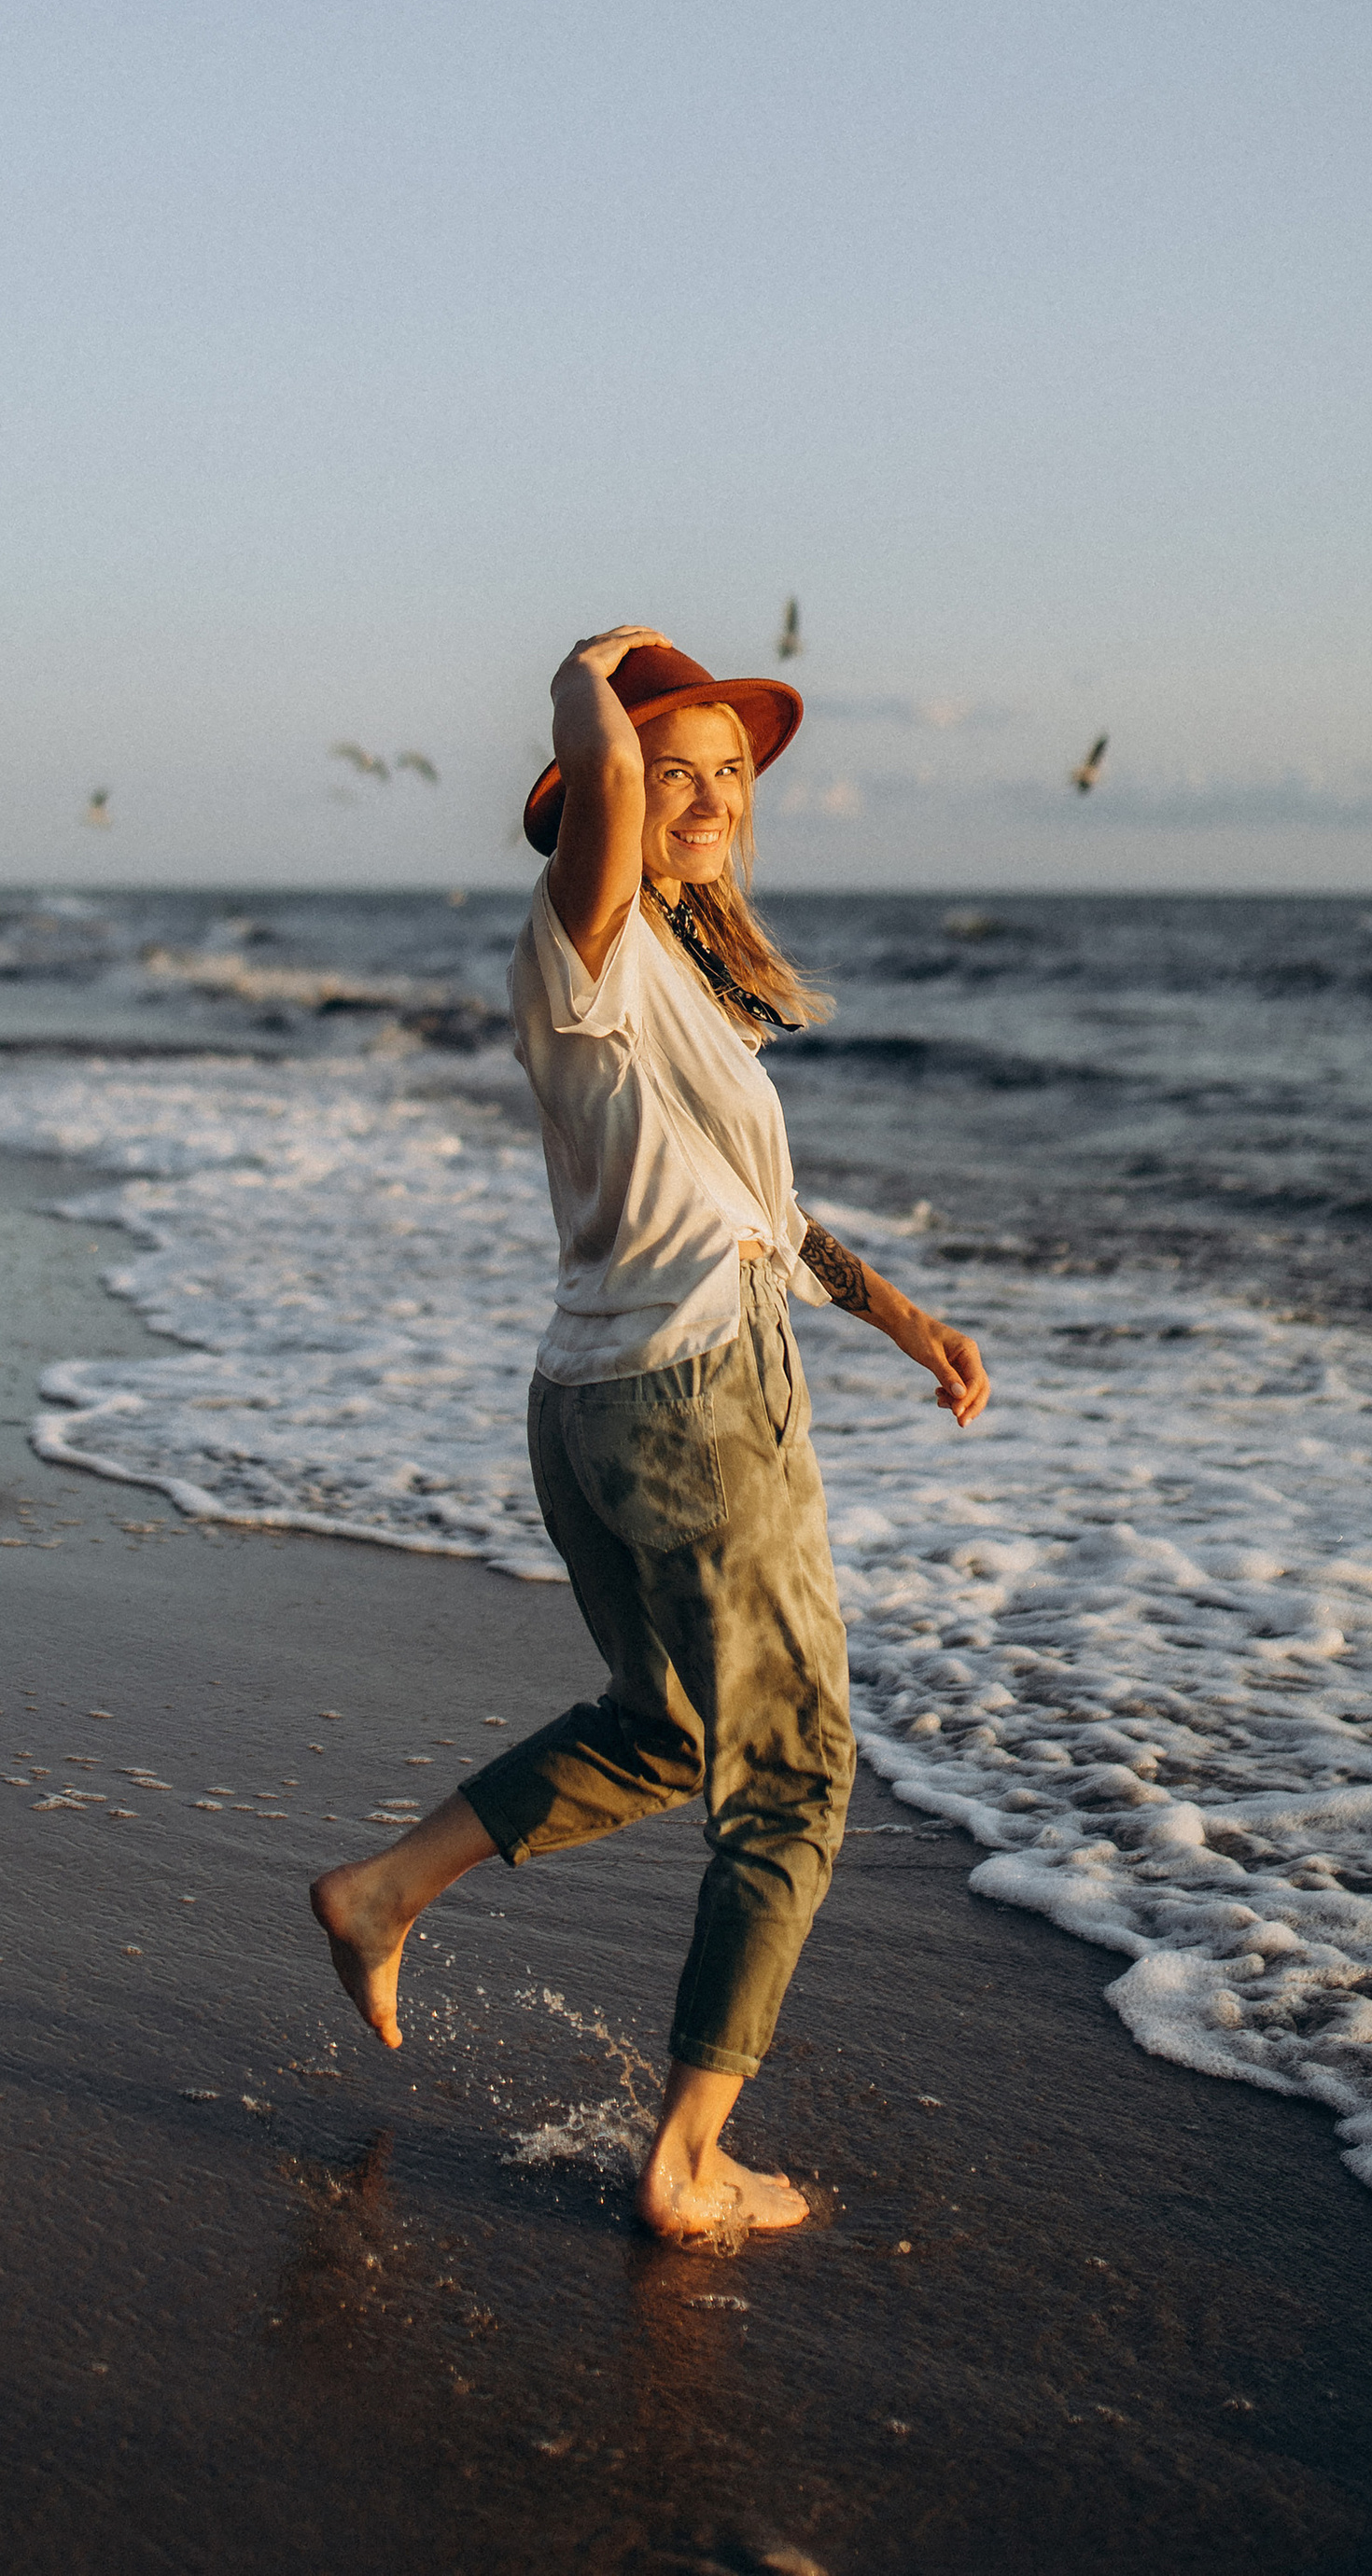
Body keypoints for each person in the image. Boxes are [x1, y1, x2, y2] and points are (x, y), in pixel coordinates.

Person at [312, 624, 992, 2244]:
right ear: (592, 807)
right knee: (797, 1775)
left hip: (604, 1399)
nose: (703, 795)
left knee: (676, 1726)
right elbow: (607, 763)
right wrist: (582, 667)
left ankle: (385, 1889)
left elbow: (760, 1209)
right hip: (696, 1406)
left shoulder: (675, 982)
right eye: (671, 771)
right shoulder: (585, 937)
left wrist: (901, 1316)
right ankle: (688, 2163)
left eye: (729, 774)